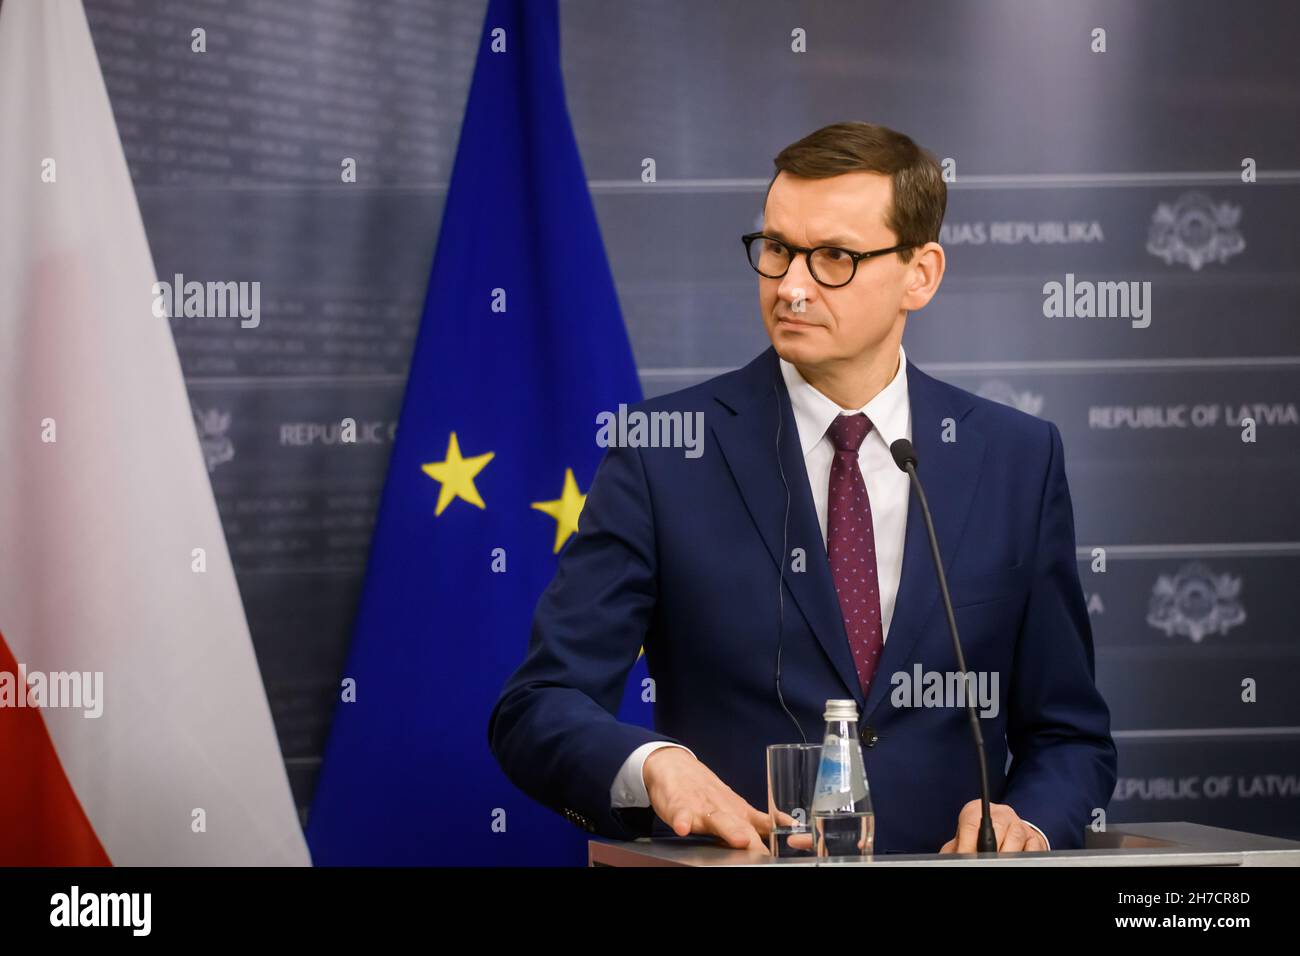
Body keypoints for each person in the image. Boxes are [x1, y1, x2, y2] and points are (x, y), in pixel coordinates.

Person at [488, 121, 1116, 855]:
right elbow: (537, 707)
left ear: (922, 272)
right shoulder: (664, 454)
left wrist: (1027, 820)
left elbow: (1069, 737)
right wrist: (654, 766)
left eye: (835, 259)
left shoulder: (1016, 458)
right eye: (778, 249)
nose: (791, 286)